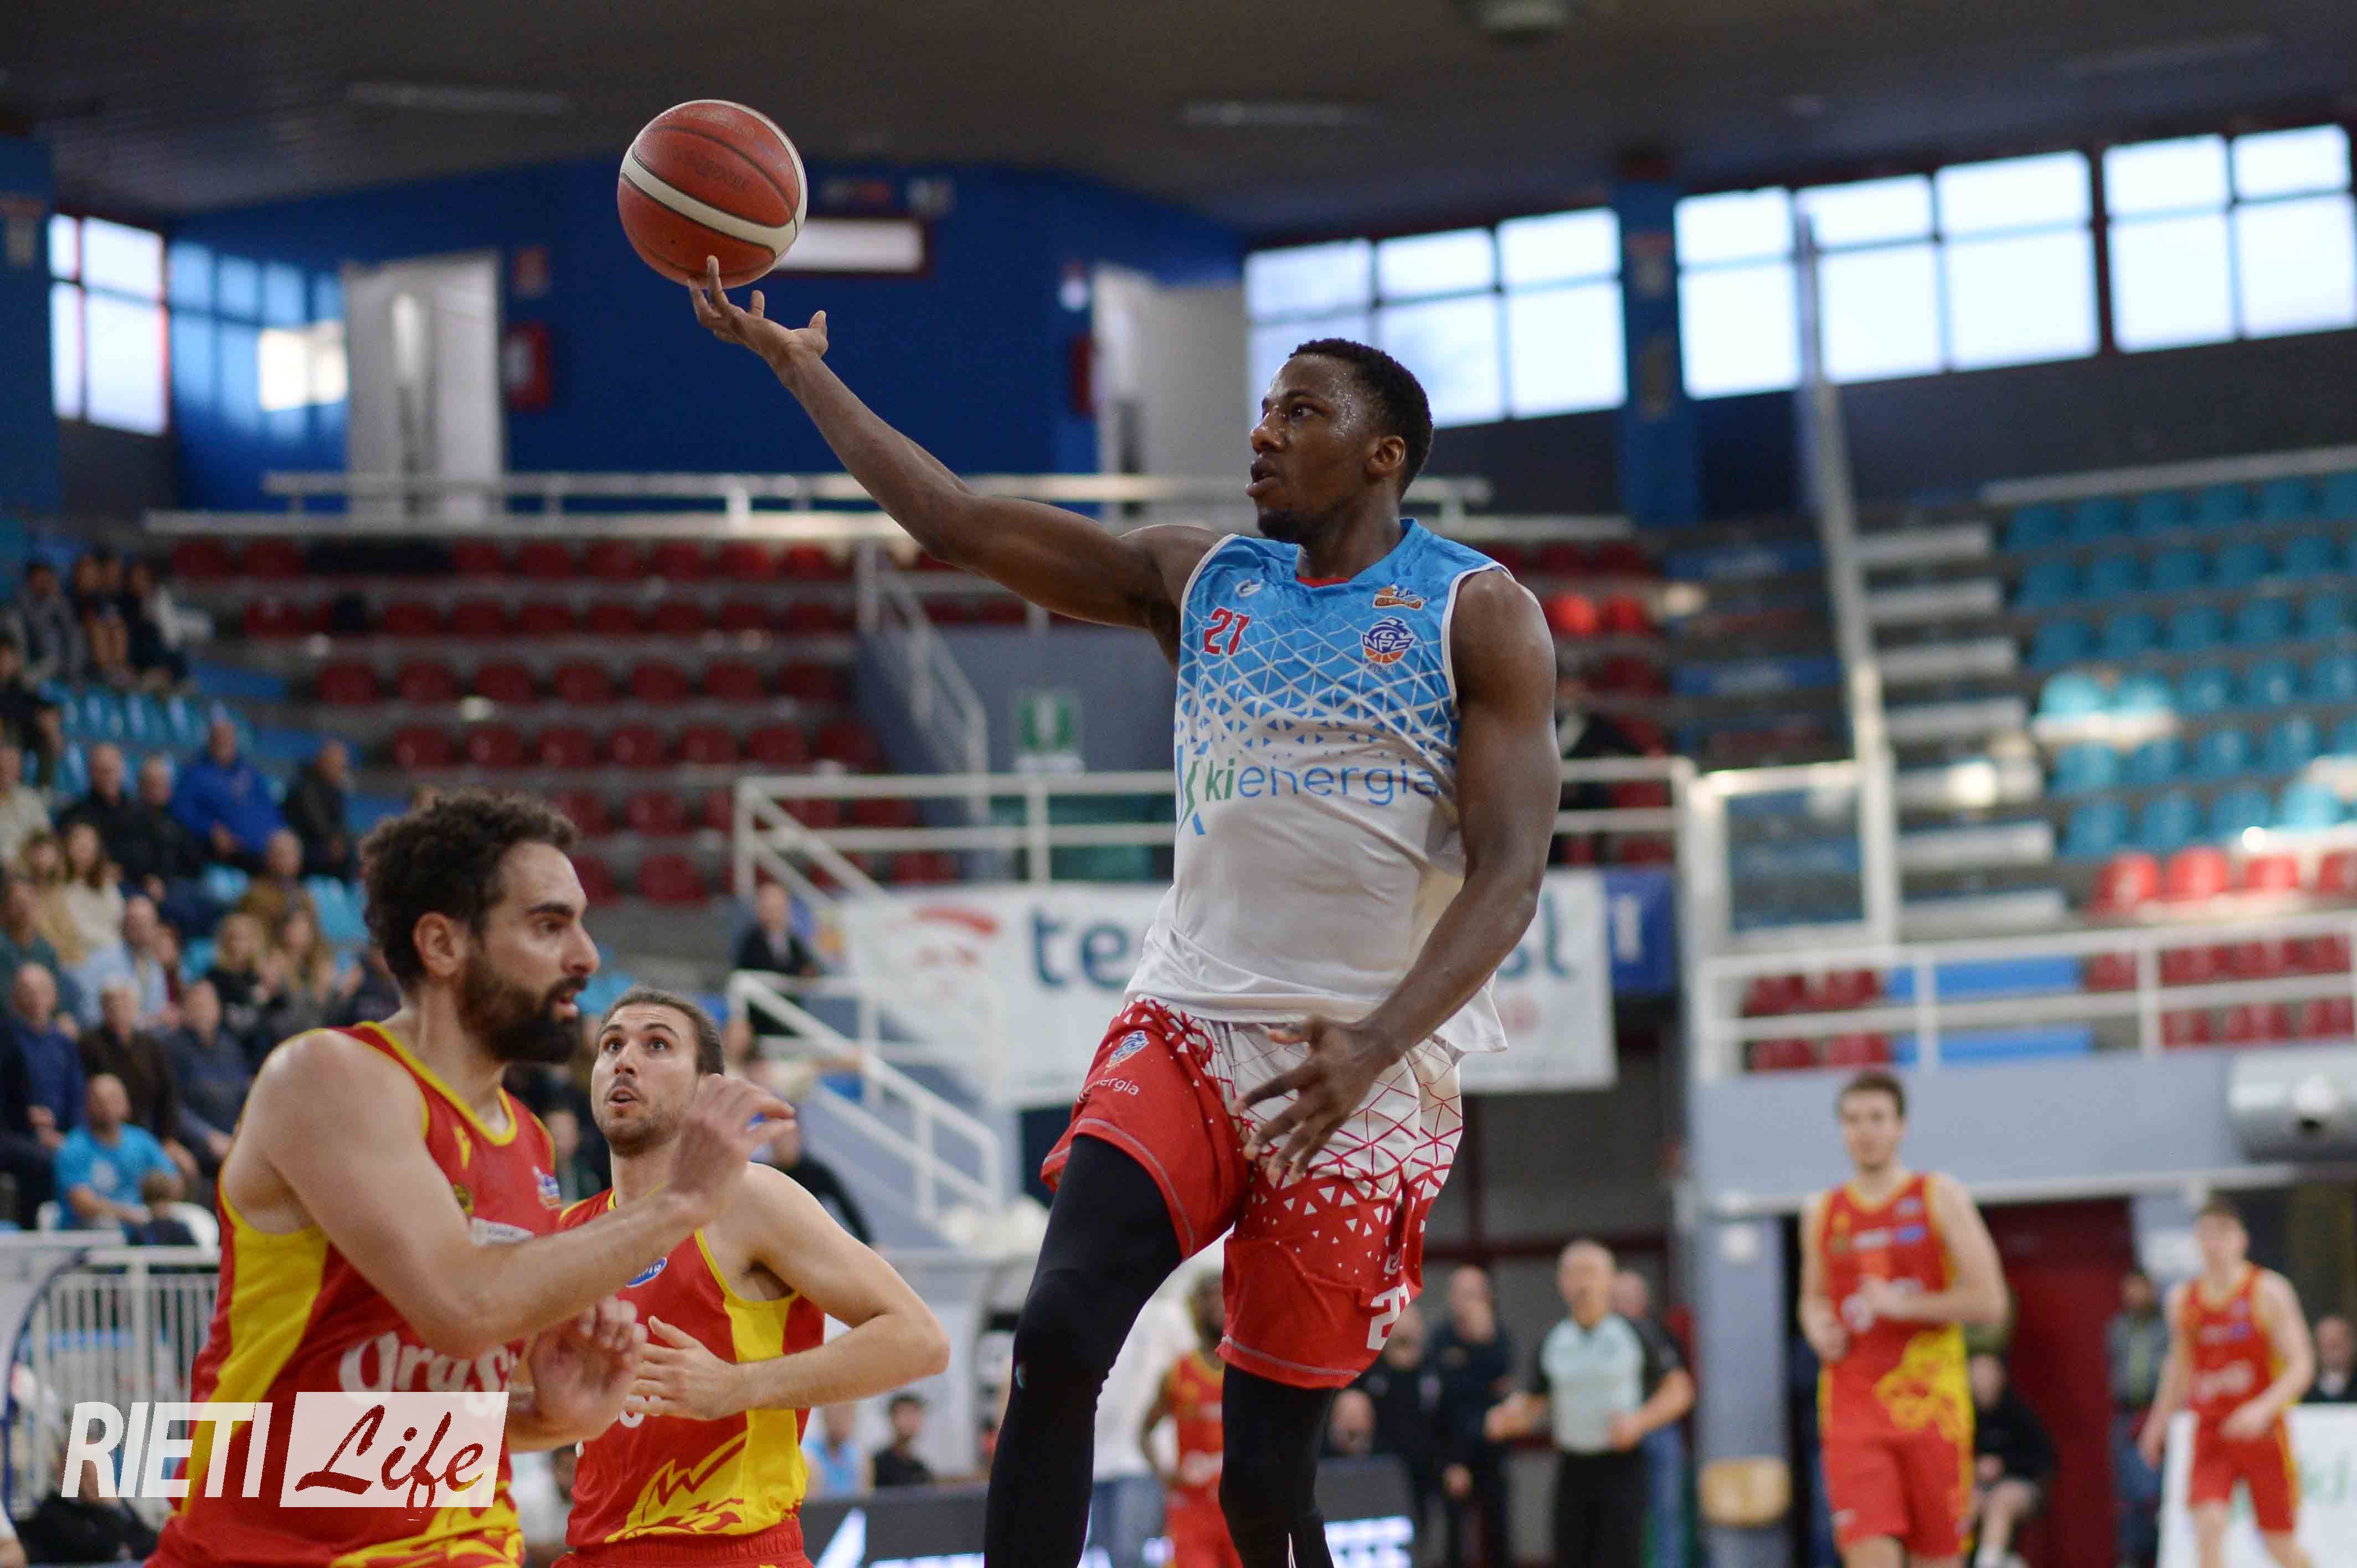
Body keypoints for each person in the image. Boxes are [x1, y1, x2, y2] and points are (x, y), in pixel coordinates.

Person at [690, 266, 1560, 1568]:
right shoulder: (1201, 577)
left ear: (1384, 454)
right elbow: (956, 521)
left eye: (1301, 412)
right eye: (1263, 408)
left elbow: (1509, 876)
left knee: (1262, 1485)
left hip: (1362, 1068)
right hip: (1190, 1023)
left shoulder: (1477, 611)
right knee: (1053, 1337)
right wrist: (799, 369)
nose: (1263, 431)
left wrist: (1377, 1042)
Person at [147, 790, 793, 1568]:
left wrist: (549, 1416)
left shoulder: (526, 1138)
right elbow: (461, 1308)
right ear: (443, 944)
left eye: (580, 925)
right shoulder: (328, 1077)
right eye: (549, 926)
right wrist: (682, 1201)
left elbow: (417, 1404)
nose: (587, 957)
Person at [553, 986, 947, 1565]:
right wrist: (414, 1513)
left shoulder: (746, 1198)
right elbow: (484, 1392)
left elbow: (921, 1340)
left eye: (656, 1044)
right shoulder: (565, 1234)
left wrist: (737, 1387)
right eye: (611, 1045)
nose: (625, 1060)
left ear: (708, 1091)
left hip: (733, 1550)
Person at [1800, 1071, 2009, 1568]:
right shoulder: (1822, 1210)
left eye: (1877, 1118)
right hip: (1853, 1410)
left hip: (1933, 1411)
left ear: (1901, 1126)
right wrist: (1817, 1328)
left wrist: (1904, 1306)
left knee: (1937, 1559)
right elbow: (1812, 1298)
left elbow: (1990, 1302)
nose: (1865, 1131)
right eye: (1853, 1120)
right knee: (1870, 1553)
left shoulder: (1939, 1195)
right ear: (1841, 1129)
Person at [1485, 1241, 1697, 1568]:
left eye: (1591, 1273)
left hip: (1623, 1465)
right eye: (1573, 1273)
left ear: (1610, 1280)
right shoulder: (1554, 1340)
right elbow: (1536, 1402)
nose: (1582, 1283)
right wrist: (1509, 1418)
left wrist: (1639, 1422)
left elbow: (1680, 1390)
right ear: (1561, 1282)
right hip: (1573, 1467)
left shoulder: (1635, 1333)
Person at [2137, 1199, 2315, 1568]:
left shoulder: (2268, 1291)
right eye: (2206, 1235)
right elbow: (2178, 1369)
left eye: (2221, 1234)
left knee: (2279, 1546)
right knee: (2209, 1528)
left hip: (2262, 1433)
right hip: (2212, 1431)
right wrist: (2157, 1424)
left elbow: (2302, 1365)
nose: (2213, 1244)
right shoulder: (2183, 1299)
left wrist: (2262, 1408)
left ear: (2241, 1239)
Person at [1141, 1272, 1243, 1568]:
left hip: (1241, 1509)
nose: (1216, 1304)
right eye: (1207, 1296)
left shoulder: (1247, 1370)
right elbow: (1144, 1432)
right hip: (1193, 1513)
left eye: (1222, 1295)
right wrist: (1165, 1473)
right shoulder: (1178, 1372)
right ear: (1194, 1307)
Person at [1430, 1266, 1516, 1568]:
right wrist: (1451, 1462)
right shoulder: (1440, 1338)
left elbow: (1501, 1386)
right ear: (1451, 1298)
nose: (1469, 1301)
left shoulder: (1499, 1337)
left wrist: (1482, 1341)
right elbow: (1443, 1400)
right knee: (1455, 1537)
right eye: (1462, 1294)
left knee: (1499, 1531)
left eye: (1475, 1294)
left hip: (1493, 1451)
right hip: (1453, 1451)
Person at [1613, 1270, 1691, 1568]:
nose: (1625, 1305)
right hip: (1618, 1433)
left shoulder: (1659, 1332)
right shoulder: (1606, 1338)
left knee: (1667, 1512)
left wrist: (1643, 1421)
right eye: (1618, 1298)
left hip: (1660, 1430)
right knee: (1622, 1514)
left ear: (1643, 1299)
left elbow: (1681, 1388)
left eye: (1631, 1297)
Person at [77, 979, 191, 1176]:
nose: (118, 1009)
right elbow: (84, 1094)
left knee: (184, 1167)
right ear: (103, 1009)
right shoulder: (89, 1044)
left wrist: (169, 1138)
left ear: (135, 1008)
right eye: (112, 1004)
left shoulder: (152, 1046)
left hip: (148, 1133)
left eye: (125, 1004)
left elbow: (168, 1095)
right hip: (104, 1132)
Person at [53, 1071, 185, 1239]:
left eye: (113, 1099)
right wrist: (127, 1214)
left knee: (178, 1229)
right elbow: (83, 1203)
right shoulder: (74, 1147)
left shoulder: (141, 1141)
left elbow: (173, 1181)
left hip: (141, 1228)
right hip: (88, 1234)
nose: (106, 1107)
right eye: (99, 1101)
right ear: (87, 1106)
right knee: (107, 1227)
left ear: (126, 1104)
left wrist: (159, 1198)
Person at [1352, 1302, 1439, 1539]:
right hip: (1380, 1467)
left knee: (1421, 1531)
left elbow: (1446, 1422)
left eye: (1413, 1323)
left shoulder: (1432, 1370)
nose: (1406, 1329)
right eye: (1400, 1321)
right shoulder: (1370, 1371)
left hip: (1423, 1468)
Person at [1965, 1352, 2054, 1568]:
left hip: (2017, 1484)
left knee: (2001, 1502)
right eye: (1976, 1375)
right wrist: (1975, 1468)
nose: (1982, 1382)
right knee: (1966, 1503)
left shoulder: (2018, 1413)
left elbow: (2044, 1458)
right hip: (1976, 1487)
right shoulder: (1963, 1415)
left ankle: (1989, 1562)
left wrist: (2003, 1466)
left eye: (1987, 1375)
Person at [2108, 1271, 2170, 1568]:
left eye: (2139, 1288)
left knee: (2159, 1492)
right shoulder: (2118, 1328)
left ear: (2152, 1290)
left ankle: (2163, 1555)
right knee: (2128, 1493)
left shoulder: (2168, 1328)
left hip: (2160, 1413)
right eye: (2128, 1289)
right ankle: (2130, 1558)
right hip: (2126, 1414)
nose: (2133, 1295)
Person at [171, 715, 283, 868]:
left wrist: (279, 834)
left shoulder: (250, 773)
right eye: (219, 737)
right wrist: (210, 829)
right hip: (230, 853)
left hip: (266, 848)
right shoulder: (194, 774)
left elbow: (270, 808)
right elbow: (182, 811)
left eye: (228, 737)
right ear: (209, 740)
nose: (224, 742)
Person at [164, 978, 247, 1176]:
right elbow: (173, 1106)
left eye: (209, 1004)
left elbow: (243, 1092)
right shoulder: (171, 1049)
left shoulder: (229, 1046)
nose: (204, 1011)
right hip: (197, 1144)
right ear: (184, 1010)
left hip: (235, 1138)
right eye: (196, 1005)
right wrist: (207, 1136)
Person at [761, 1106, 874, 1245]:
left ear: (797, 1136)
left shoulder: (816, 1171)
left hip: (803, 1240)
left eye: (786, 1136)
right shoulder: (763, 1172)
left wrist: (869, 1242)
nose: (781, 1142)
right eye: (776, 1138)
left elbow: (847, 1206)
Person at [10, 962, 83, 1144]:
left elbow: (76, 1096)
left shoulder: (64, 1043)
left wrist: (72, 1140)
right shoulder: (7, 1041)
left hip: (62, 1137)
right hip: (15, 1135)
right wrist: (25, 1114)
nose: (36, 997)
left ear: (54, 996)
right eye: (28, 991)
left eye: (43, 990)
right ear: (15, 997)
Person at [282, 739, 356, 879]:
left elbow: (341, 824)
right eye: (335, 765)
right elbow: (316, 822)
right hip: (304, 844)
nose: (340, 771)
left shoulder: (336, 790)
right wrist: (333, 841)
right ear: (321, 762)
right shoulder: (304, 786)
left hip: (325, 845)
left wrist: (341, 840)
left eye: (342, 767)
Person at [14, 561, 84, 685]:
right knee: (14, 621)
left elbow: (69, 624)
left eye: (46, 578)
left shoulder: (57, 597)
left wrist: (57, 599)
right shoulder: (23, 595)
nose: (43, 582)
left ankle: (74, 672)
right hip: (29, 645)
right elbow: (35, 624)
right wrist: (51, 600)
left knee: (76, 632)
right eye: (39, 577)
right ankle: (21, 679)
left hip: (53, 651)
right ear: (31, 579)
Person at [734, 879, 822, 977]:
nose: (774, 915)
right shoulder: (752, 941)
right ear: (760, 911)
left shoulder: (792, 939)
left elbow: (805, 965)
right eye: (770, 910)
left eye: (778, 909)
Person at [0, 743, 50, 868]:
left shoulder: (32, 800)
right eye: (2, 767)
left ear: (19, 770)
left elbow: (45, 839)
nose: (6, 771)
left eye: (12, 766)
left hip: (28, 871)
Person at [805, 1401, 868, 1497]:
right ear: (825, 1414)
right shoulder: (809, 1457)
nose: (841, 1419)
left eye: (847, 1412)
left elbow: (865, 1500)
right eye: (836, 1411)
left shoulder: (859, 1458)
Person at [873, 1392, 935, 1488]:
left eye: (914, 1414)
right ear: (892, 1418)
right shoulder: (876, 1465)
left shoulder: (921, 1469)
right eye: (904, 1414)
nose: (909, 1421)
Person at [2307, 1315, 2355, 1404]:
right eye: (2325, 1342)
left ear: (2352, 1344)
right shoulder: (2302, 1390)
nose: (2333, 1346)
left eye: (2339, 1341)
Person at [1325, 1390, 1376, 1458]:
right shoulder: (1321, 1458)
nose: (1352, 1420)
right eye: (1347, 1414)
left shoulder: (1383, 1458)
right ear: (1333, 1417)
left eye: (1357, 1414)